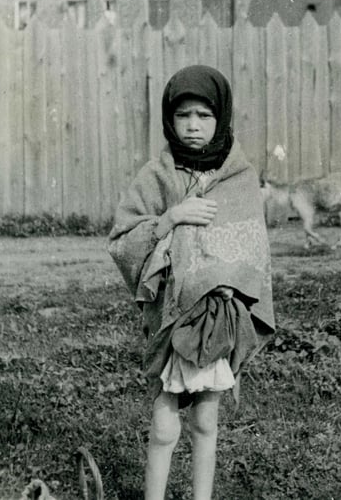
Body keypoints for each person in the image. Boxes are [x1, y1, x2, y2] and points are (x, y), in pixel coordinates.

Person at [108, 65, 274, 500]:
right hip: (171, 318)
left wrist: (227, 290)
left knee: (206, 420)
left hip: (218, 320)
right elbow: (123, 240)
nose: (193, 125)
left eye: (204, 114)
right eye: (183, 116)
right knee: (164, 423)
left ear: (221, 117)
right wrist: (170, 218)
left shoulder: (239, 178)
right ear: (169, 119)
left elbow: (252, 250)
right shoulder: (156, 175)